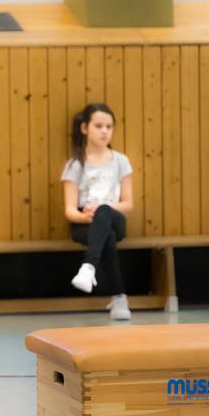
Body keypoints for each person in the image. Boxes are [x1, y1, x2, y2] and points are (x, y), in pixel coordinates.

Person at [60, 103, 134, 320]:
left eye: (109, 127)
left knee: (105, 214)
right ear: (85, 128)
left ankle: (88, 266)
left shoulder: (121, 161)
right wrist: (86, 216)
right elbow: (69, 210)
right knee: (105, 234)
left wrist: (103, 209)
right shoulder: (75, 165)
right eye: (99, 126)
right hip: (85, 222)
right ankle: (119, 298)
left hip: (114, 217)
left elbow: (128, 204)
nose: (104, 131)